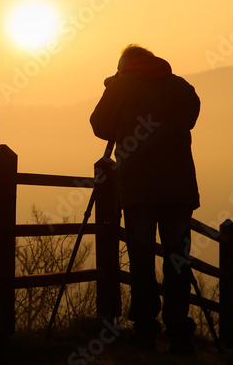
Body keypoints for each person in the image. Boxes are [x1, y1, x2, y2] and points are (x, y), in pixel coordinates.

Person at [90, 44, 201, 352]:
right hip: (178, 188)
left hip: (138, 188)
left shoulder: (121, 85)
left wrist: (115, 94)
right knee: (177, 259)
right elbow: (190, 119)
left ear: (124, 66)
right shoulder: (181, 86)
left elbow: (99, 125)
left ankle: (146, 329)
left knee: (141, 259)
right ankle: (179, 330)